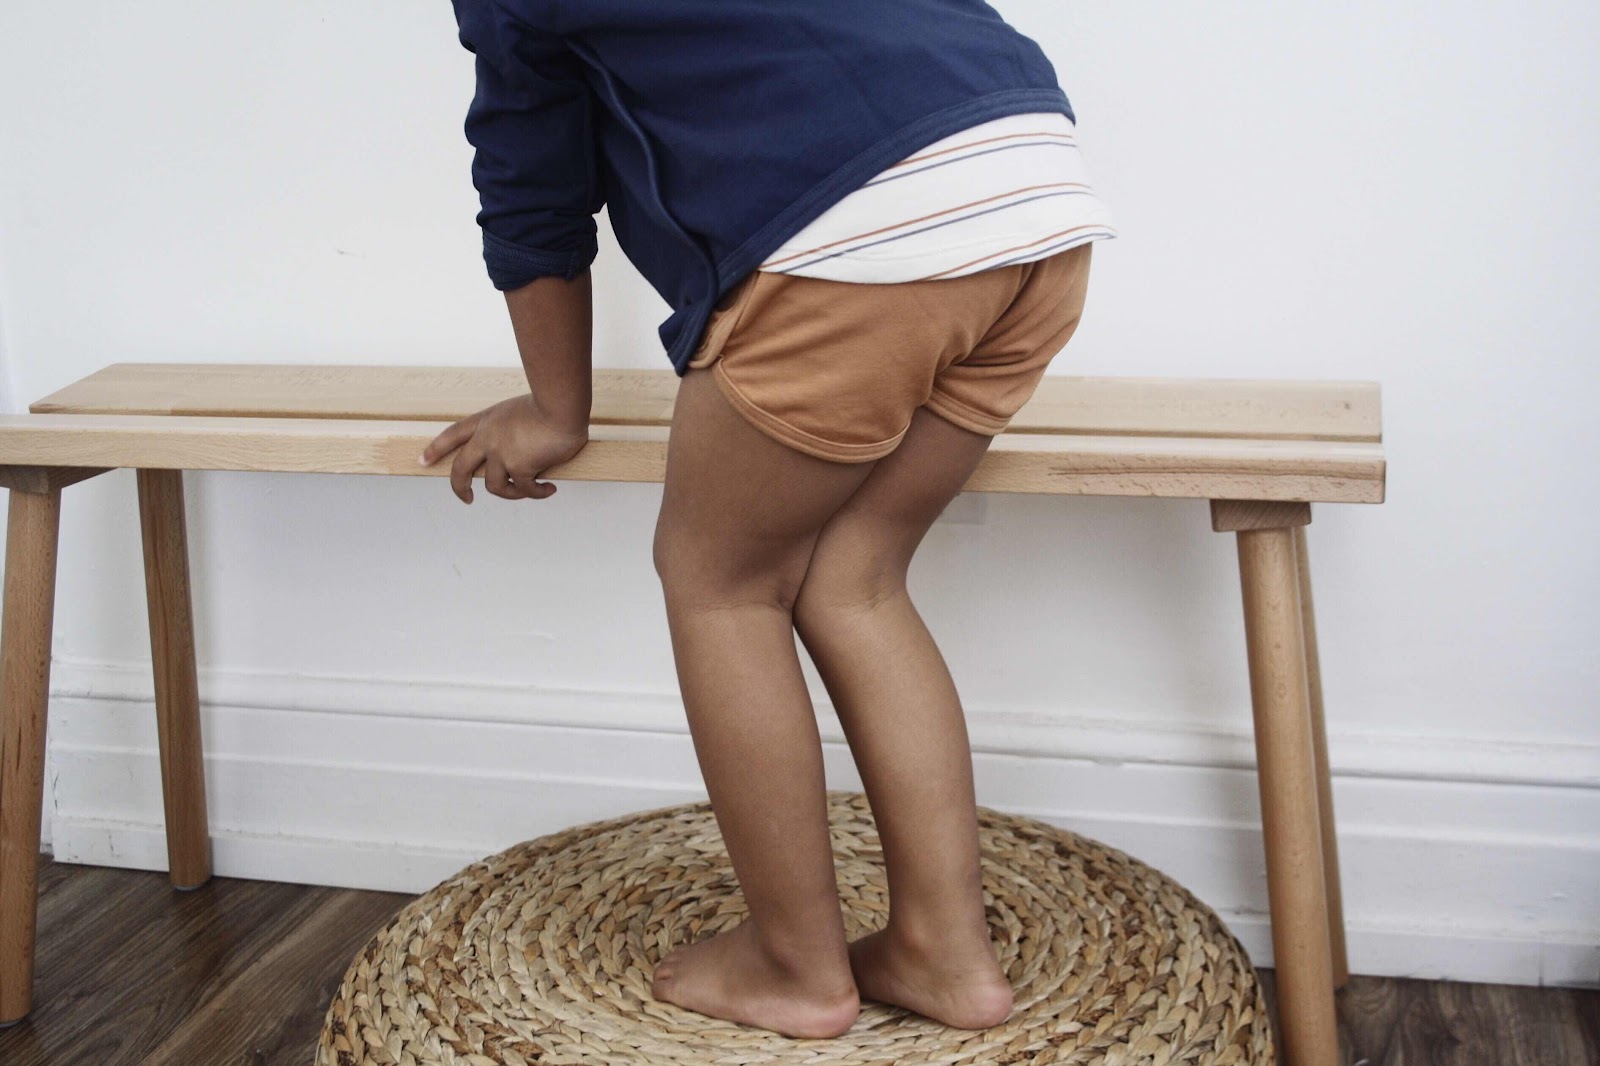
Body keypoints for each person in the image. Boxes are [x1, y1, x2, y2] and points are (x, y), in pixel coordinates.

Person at [418, 0, 1116, 1041]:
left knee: (721, 583)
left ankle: (796, 965)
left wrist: (556, 410)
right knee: (855, 578)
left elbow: (532, 180)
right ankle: (945, 953)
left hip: (867, 229)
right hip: (1032, 186)